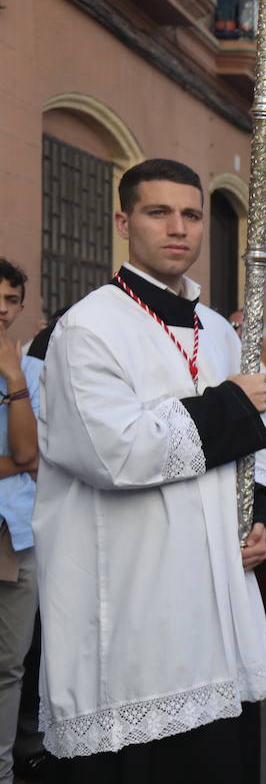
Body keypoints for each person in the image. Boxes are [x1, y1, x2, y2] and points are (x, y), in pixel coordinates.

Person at [35, 160, 266, 778]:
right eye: (158, 212)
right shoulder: (88, 327)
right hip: (134, 614)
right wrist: (228, 407)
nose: (179, 228)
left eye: (192, 215)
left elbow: (261, 444)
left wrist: (259, 516)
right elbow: (109, 451)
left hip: (219, 603)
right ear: (123, 221)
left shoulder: (222, 331)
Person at [0, 260, 39, 784]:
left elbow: (29, 454)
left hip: (19, 531)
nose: (1, 309)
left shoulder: (27, 369)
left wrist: (11, 377)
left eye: (11, 299)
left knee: (10, 665)